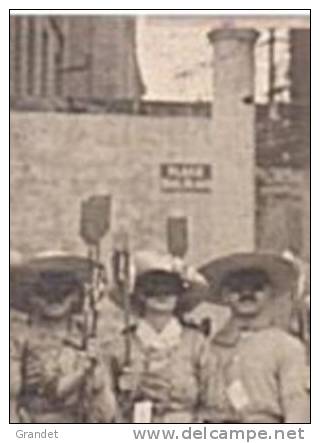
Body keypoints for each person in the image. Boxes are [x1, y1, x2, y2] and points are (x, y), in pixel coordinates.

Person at [103, 251, 217, 423]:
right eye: (153, 288)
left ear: (179, 295)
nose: (162, 294)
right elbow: (105, 406)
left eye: (170, 288)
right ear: (140, 294)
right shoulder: (120, 346)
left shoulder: (196, 344)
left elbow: (213, 402)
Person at [200, 252, 310, 424]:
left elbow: (297, 405)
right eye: (236, 288)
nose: (246, 293)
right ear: (225, 295)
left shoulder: (286, 346)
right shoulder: (208, 347)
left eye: (256, 287)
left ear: (269, 292)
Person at [11, 261, 114, 423]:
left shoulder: (87, 337)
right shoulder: (18, 338)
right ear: (32, 297)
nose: (54, 300)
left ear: (76, 296)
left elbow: (105, 406)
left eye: (64, 292)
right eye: (44, 293)